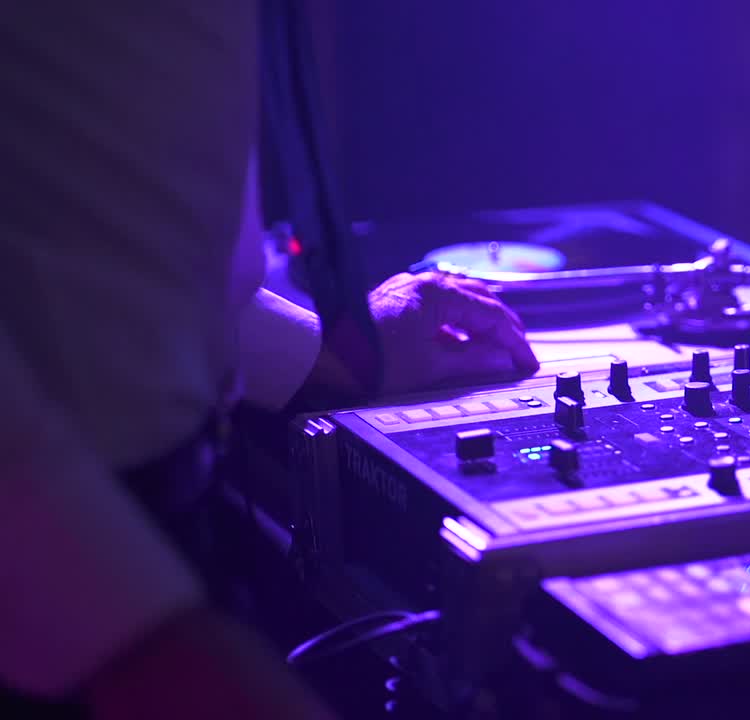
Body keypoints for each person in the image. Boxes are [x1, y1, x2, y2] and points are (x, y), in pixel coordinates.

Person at [0, 4, 537, 718]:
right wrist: (131, 635)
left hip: (149, 528)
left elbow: (96, 200)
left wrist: (320, 353)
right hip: (66, 595)